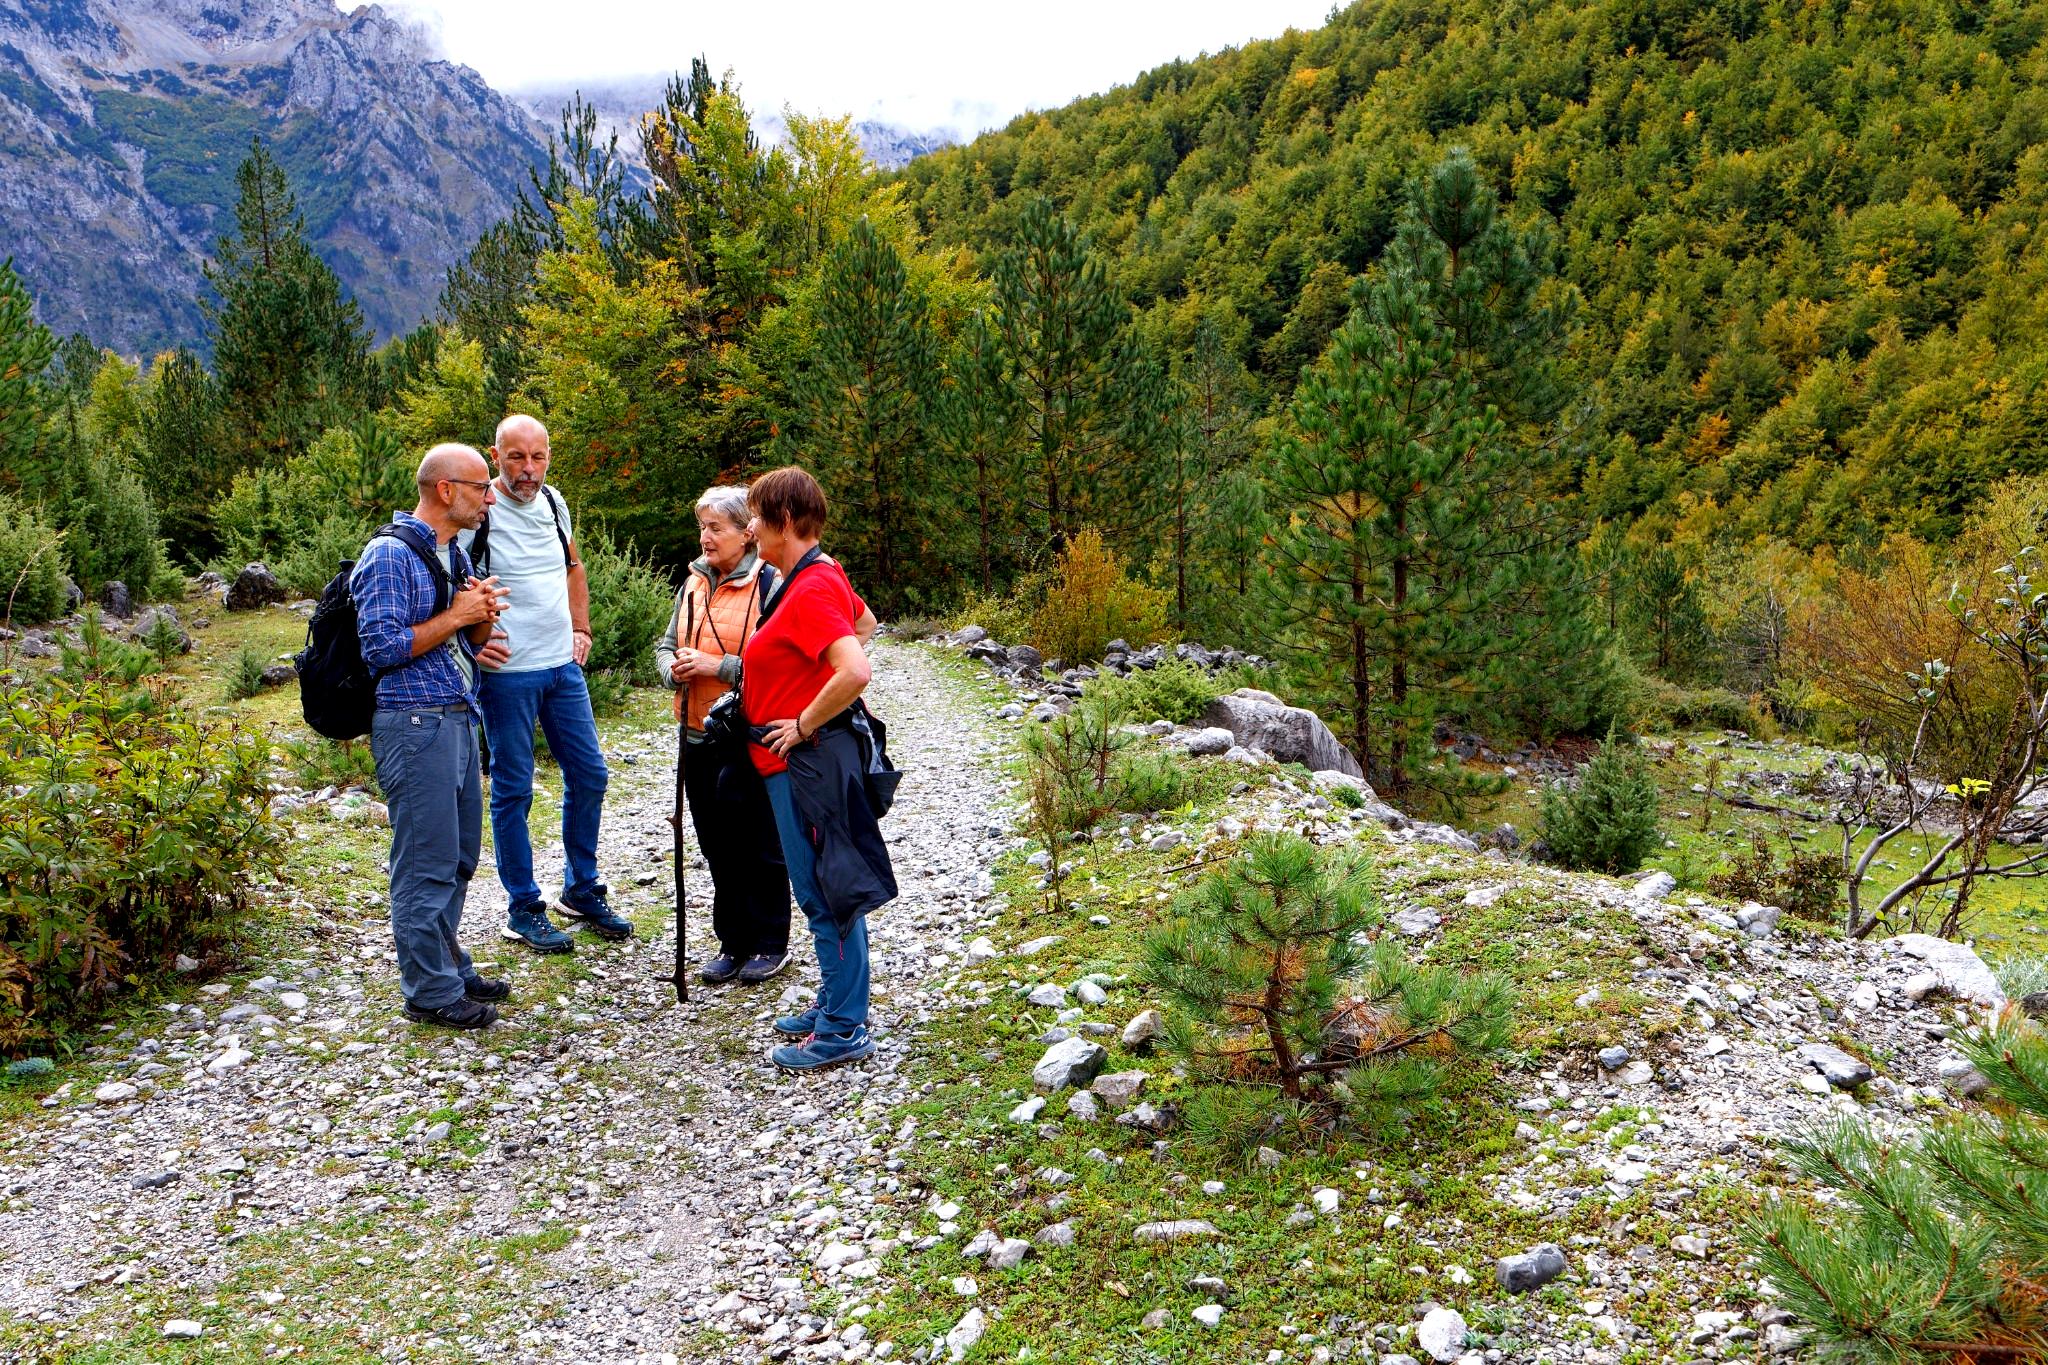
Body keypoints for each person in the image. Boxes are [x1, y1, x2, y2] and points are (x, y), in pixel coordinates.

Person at [458, 414, 634, 954]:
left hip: (562, 668)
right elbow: (445, 579)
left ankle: (580, 888)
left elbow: (573, 567)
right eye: (517, 457)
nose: (528, 469)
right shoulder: (477, 512)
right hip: (507, 675)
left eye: (538, 456)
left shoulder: (554, 502)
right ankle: (523, 907)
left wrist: (581, 627)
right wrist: (469, 641)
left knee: (591, 775)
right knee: (513, 788)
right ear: (496, 456)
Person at [352, 444, 511, 1029]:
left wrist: (483, 616)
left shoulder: (452, 554)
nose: (489, 497)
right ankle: (430, 992)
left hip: (456, 717)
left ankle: (446, 964)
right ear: (445, 489)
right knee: (426, 862)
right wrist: (459, 616)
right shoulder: (390, 555)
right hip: (413, 722)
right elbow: (383, 648)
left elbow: (463, 641)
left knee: (460, 855)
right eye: (479, 487)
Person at [742, 467, 890, 1072]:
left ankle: (844, 1027)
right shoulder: (814, 574)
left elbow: (854, 668)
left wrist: (804, 721)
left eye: (755, 516)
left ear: (782, 521)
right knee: (822, 885)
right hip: (805, 761)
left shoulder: (807, 588)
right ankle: (836, 1000)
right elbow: (866, 621)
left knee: (826, 891)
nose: (749, 528)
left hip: (806, 761)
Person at [655, 486, 795, 985]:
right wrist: (673, 669)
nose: (706, 537)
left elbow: (783, 665)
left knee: (760, 841)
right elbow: (667, 645)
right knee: (715, 843)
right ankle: (732, 941)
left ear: (745, 532)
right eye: (702, 527)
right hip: (696, 734)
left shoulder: (770, 583)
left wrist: (720, 666)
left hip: (749, 734)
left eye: (716, 528)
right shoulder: (692, 582)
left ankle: (769, 941)